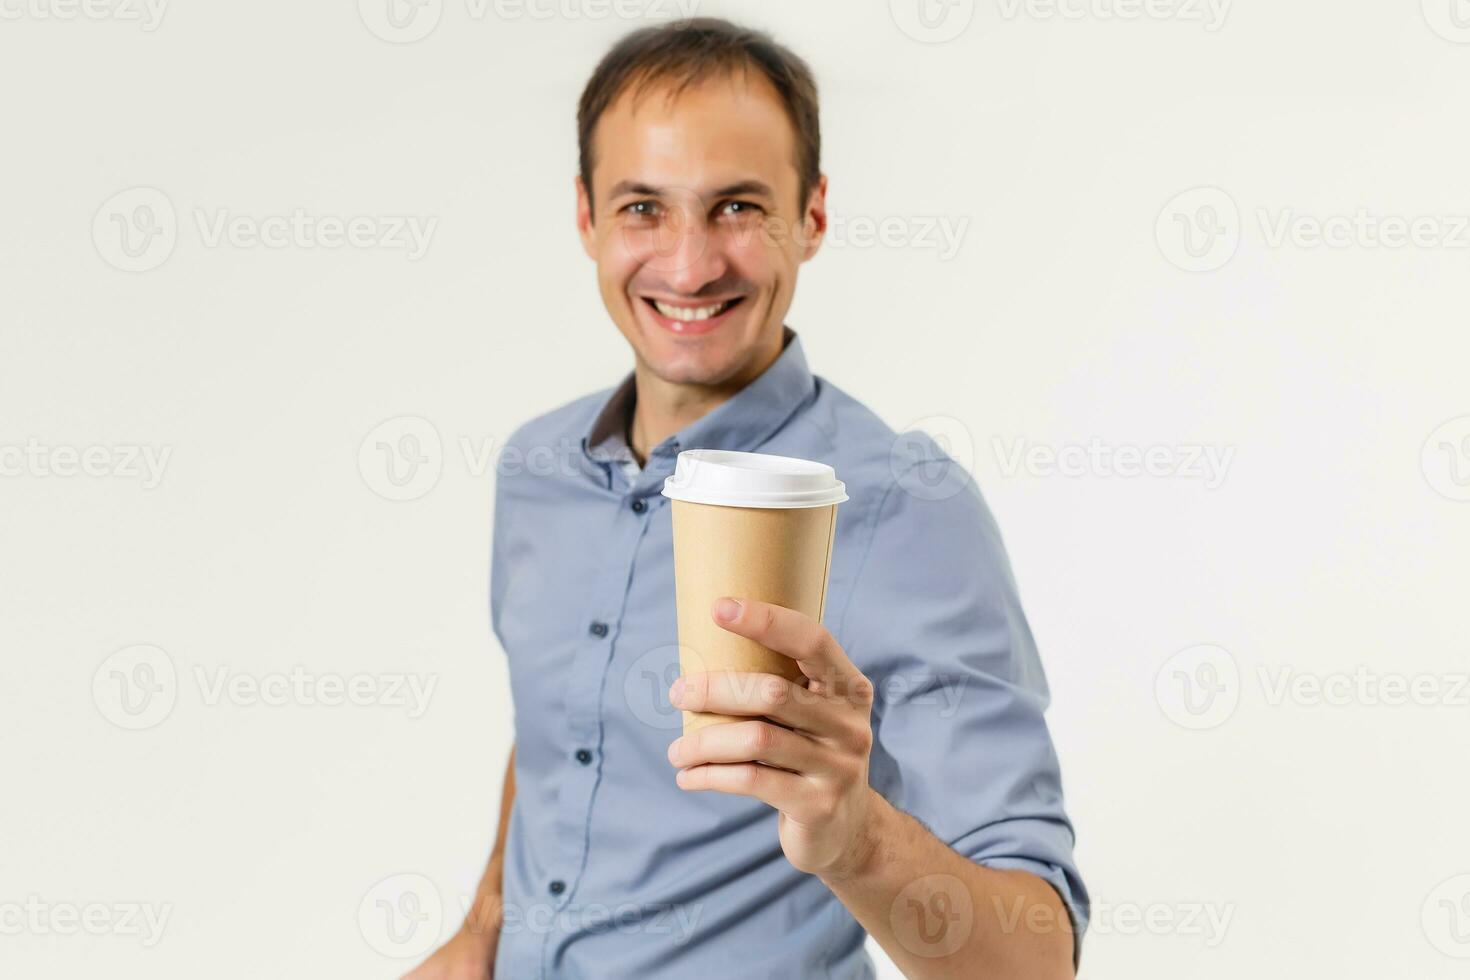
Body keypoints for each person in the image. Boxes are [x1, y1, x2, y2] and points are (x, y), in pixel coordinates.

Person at [408, 17, 1087, 980]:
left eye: (737, 207)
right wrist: (479, 935)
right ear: (585, 216)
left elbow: (1038, 960)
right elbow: (559, 742)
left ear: (811, 217)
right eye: (644, 206)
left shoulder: (905, 507)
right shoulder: (536, 469)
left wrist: (853, 834)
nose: (689, 266)